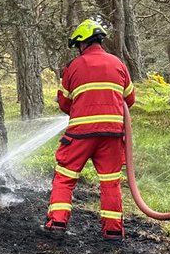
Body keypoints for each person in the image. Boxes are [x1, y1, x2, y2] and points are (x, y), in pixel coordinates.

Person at [44, 19, 135, 240]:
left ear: (82, 43)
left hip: (80, 134)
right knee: (110, 181)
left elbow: (65, 103)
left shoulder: (73, 67)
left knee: (65, 177)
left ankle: (57, 222)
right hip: (112, 135)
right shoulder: (118, 64)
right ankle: (113, 231)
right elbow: (129, 99)